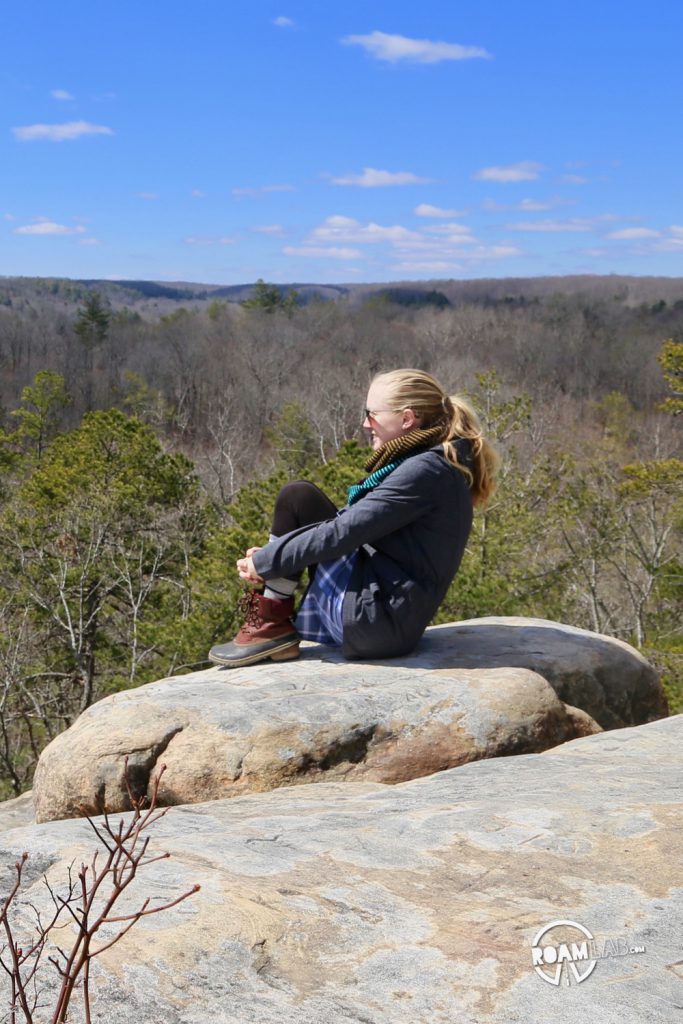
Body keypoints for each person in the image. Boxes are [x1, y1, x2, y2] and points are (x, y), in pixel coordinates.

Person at [209, 368, 498, 668]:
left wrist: (267, 563)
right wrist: (276, 557)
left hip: (376, 624)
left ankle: (270, 625)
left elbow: (343, 531)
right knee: (301, 499)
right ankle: (273, 625)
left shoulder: (425, 472)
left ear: (407, 419)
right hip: (385, 615)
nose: (364, 423)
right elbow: (349, 527)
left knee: (297, 499)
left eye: (371, 414)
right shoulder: (433, 462)